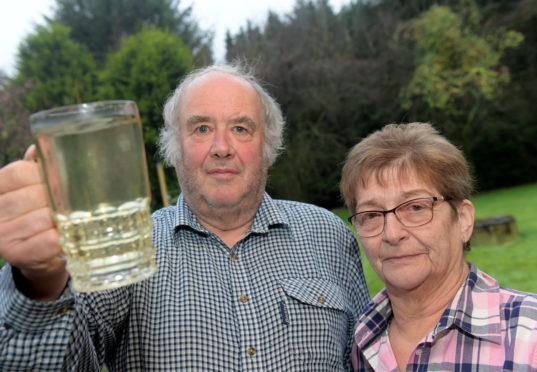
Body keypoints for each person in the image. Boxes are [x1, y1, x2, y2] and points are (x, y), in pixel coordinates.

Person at [0, 64, 370, 371]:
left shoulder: (329, 235)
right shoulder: (126, 249)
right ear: (174, 150)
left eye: (240, 128)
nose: (221, 148)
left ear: (267, 148)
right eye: (201, 128)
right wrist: (40, 281)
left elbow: (368, 355)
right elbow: (40, 363)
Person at [340, 122, 537, 371]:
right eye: (371, 215)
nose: (392, 233)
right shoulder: (358, 344)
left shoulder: (528, 337)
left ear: (463, 220)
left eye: (415, 207)